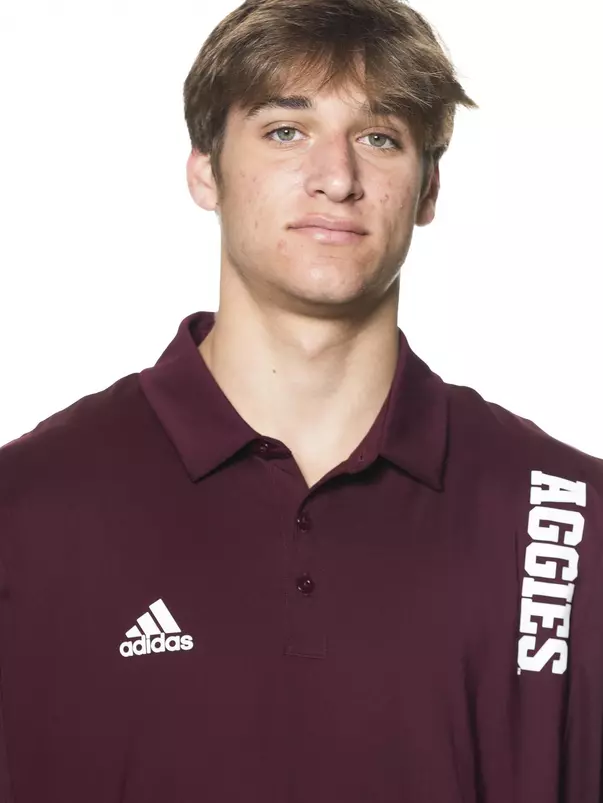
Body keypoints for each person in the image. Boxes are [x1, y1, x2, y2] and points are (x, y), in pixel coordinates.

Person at [0, 0, 602, 800]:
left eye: (379, 137)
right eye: (286, 130)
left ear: (427, 189)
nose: (336, 177)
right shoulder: (27, 510)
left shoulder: (567, 520)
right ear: (204, 169)